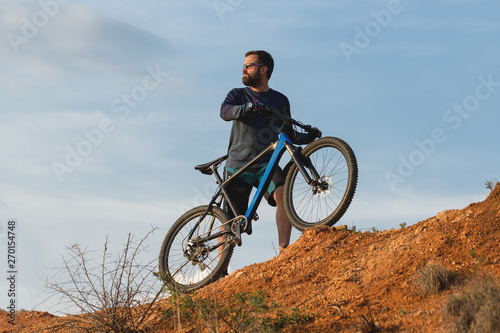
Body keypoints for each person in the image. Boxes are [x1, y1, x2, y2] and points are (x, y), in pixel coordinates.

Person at [220, 50, 320, 254]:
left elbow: (288, 134)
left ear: (263, 69)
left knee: (283, 194)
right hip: (238, 165)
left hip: (266, 164)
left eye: (248, 65)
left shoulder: (280, 100)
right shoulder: (238, 94)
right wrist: (247, 107)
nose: (243, 69)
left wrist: (309, 136)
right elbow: (225, 112)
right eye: (244, 65)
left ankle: (284, 251)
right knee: (231, 222)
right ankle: (220, 271)